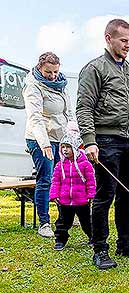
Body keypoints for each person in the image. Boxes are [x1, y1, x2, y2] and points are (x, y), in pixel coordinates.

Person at [77, 18, 129, 270]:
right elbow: (84, 108)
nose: (128, 45)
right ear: (108, 38)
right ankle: (100, 248)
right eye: (124, 40)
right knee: (105, 195)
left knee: (127, 195)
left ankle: (125, 244)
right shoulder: (94, 69)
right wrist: (90, 141)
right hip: (106, 141)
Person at [23, 52, 72, 238]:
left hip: (60, 138)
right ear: (39, 68)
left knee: (63, 177)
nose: (52, 76)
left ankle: (66, 216)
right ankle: (44, 223)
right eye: (48, 72)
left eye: (55, 72)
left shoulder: (61, 84)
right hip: (39, 138)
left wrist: (73, 136)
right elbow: (35, 117)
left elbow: (68, 113)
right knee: (46, 179)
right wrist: (44, 144)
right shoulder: (33, 86)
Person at [49, 129, 95, 251]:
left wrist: (91, 194)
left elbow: (91, 181)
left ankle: (93, 238)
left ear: (75, 148)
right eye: (63, 147)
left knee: (87, 222)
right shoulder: (60, 165)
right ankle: (60, 240)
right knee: (62, 222)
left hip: (82, 201)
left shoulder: (85, 164)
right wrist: (54, 195)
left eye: (68, 147)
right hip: (64, 201)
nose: (65, 150)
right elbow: (56, 181)